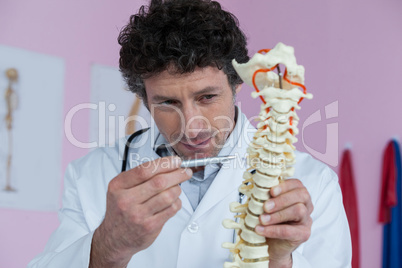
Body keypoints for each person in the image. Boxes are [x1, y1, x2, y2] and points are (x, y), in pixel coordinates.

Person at [28, 0, 352, 267]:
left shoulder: (313, 183)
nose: (192, 126)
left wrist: (281, 260)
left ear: (237, 84)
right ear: (144, 99)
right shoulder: (92, 175)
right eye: (167, 102)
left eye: (207, 97)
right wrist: (109, 245)